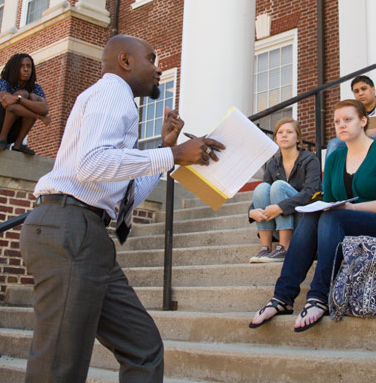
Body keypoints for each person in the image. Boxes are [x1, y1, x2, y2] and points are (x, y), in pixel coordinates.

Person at [20, 35, 224, 383]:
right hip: (71, 230)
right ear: (125, 61)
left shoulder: (114, 100)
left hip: (87, 234)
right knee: (58, 367)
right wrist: (174, 155)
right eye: (152, 58)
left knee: (143, 348)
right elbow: (91, 163)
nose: (158, 69)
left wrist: (167, 151)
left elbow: (121, 193)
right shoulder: (113, 92)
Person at [249, 99, 376, 332]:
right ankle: (282, 297)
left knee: (332, 217)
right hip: (349, 224)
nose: (341, 125)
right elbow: (329, 198)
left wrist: (351, 209)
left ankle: (318, 296)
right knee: (314, 216)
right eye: (337, 121)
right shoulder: (335, 158)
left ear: (363, 121)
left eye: (348, 119)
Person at [247, 118, 321, 263]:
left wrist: (281, 207)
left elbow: (311, 193)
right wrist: (251, 211)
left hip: (302, 221)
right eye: (280, 132)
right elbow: (263, 193)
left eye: (289, 132)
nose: (284, 135)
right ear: (275, 138)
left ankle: (284, 247)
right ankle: (265, 248)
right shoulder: (272, 164)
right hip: (278, 224)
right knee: (262, 188)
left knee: (278, 186)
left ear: (298, 138)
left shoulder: (310, 160)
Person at [0, 53, 49, 154]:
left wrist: (20, 99)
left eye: (28, 66)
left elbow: (44, 109)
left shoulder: (36, 88)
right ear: (14, 68)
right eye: (22, 66)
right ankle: (1, 140)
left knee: (31, 97)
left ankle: (18, 145)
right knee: (23, 94)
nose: (26, 69)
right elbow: (7, 103)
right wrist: (38, 116)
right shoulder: (3, 83)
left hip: (14, 132)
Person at [327, 75, 376, 154]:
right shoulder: (353, 112)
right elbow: (345, 134)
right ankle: (330, 166)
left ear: (373, 89)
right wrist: (372, 131)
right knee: (335, 143)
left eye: (364, 89)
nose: (360, 93)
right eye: (356, 91)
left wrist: (359, 134)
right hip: (360, 146)